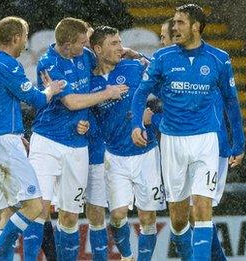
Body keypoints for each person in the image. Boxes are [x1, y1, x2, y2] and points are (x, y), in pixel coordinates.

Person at [131, 4, 245, 260]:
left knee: (203, 209)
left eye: (180, 23)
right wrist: (136, 124)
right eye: (174, 23)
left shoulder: (219, 58)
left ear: (196, 26)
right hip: (172, 141)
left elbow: (231, 102)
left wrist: (239, 142)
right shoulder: (163, 58)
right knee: (179, 219)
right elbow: (140, 93)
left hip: (206, 139)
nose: (174, 28)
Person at [24, 17, 128, 260]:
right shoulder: (49, 63)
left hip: (77, 146)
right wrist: (108, 93)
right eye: (82, 43)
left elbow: (101, 52)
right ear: (68, 44)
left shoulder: (85, 56)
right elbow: (71, 102)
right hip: (47, 141)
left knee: (70, 216)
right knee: (37, 208)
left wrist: (129, 52)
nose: (87, 47)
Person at [0, 16, 65, 260]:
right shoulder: (9, 66)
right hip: (5, 145)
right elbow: (35, 99)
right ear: (16, 38)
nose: (26, 41)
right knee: (34, 206)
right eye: (25, 36)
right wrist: (51, 90)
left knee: (6, 211)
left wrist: (18, 134)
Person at [89, 25, 165, 261]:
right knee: (118, 215)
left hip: (146, 151)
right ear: (98, 49)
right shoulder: (90, 82)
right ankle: (127, 256)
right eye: (113, 44)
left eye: (120, 42)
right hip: (114, 155)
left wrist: (139, 55)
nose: (119, 48)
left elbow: (167, 73)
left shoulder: (132, 67)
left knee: (147, 217)